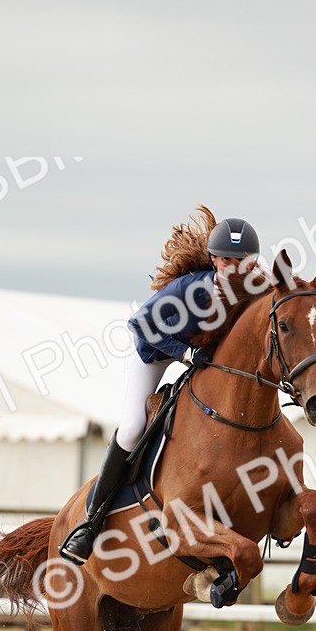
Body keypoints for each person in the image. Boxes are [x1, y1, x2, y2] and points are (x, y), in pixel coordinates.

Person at [59, 207, 261, 564]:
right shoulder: (189, 288)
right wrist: (184, 353)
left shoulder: (250, 291)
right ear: (214, 260)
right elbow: (139, 324)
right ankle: (91, 522)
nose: (234, 268)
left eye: (241, 262)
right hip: (155, 354)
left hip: (203, 358)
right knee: (132, 427)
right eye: (227, 261)